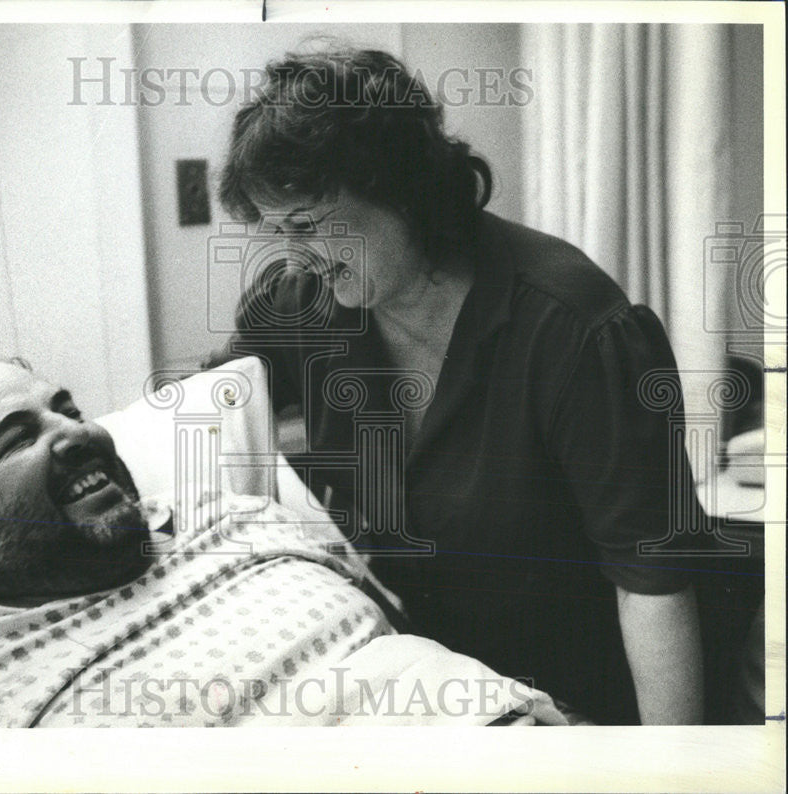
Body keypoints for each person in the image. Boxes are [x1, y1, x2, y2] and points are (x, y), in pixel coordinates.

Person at [209, 45, 705, 725]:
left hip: (567, 708)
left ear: (399, 189)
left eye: (307, 227)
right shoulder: (303, 302)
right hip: (410, 691)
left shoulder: (575, 330)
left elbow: (652, 583)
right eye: (275, 230)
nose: (291, 254)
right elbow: (206, 417)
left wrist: (669, 771)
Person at [0, 348, 568, 728]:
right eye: (18, 437)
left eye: (67, 410)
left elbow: (413, 636)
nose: (82, 434)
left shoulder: (230, 521)